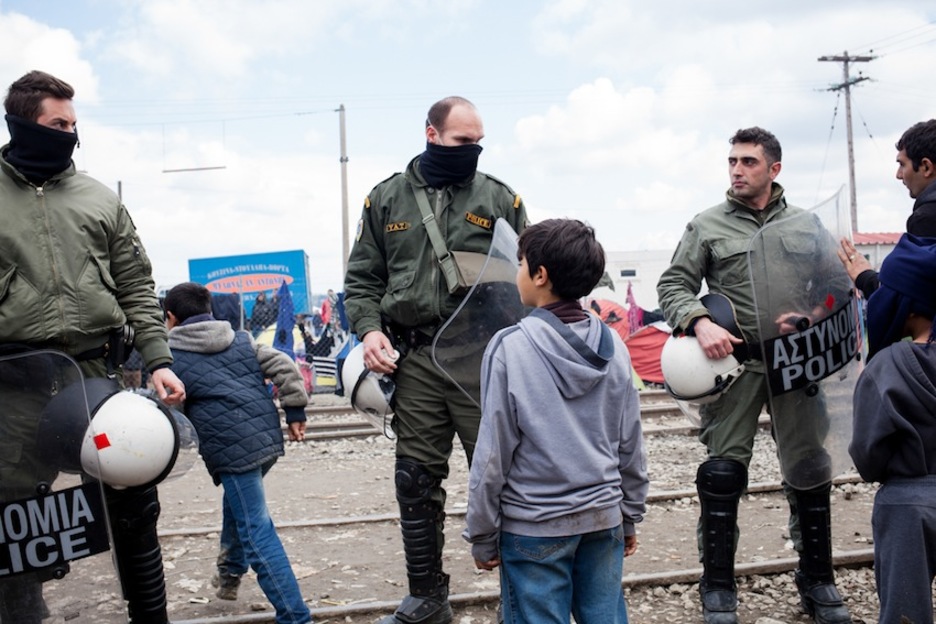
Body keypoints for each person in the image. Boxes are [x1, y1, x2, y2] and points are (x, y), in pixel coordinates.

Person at [0, 70, 186, 623]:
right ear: (20, 122)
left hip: (93, 377)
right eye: (57, 124)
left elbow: (136, 285)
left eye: (74, 125)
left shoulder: (99, 200)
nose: (69, 135)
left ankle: (149, 617)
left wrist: (159, 360)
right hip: (11, 384)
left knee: (131, 500)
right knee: (13, 519)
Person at [656, 127, 853, 624]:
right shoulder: (708, 225)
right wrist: (698, 322)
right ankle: (718, 586)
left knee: (810, 470)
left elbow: (835, 286)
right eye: (732, 162)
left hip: (796, 362)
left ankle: (817, 579)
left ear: (774, 169)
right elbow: (673, 283)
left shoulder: (807, 226)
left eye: (748, 162)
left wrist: (812, 314)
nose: (737, 170)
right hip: (735, 365)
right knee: (721, 474)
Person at [343, 95, 528, 624]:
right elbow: (362, 280)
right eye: (461, 141)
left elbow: (526, 277)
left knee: (505, 476)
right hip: (415, 357)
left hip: (482, 358)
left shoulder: (500, 198)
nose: (472, 151)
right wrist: (369, 331)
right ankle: (427, 599)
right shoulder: (386, 200)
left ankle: (524, 597)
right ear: (431, 134)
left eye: (477, 142)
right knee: (415, 480)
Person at [463, 219, 648, 624]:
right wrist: (630, 513)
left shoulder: (510, 347)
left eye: (521, 263)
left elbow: (493, 453)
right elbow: (630, 442)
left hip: (533, 526)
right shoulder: (614, 345)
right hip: (604, 517)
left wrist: (481, 532)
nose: (516, 273)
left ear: (540, 276)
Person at [164, 282, 312, 624]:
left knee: (256, 530)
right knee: (240, 503)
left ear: (170, 317)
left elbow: (172, 410)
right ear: (210, 309)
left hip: (231, 450)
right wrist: (294, 412)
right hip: (264, 440)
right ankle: (229, 576)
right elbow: (284, 365)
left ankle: (295, 617)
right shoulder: (242, 340)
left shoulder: (172, 358)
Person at [847, 234, 936, 624]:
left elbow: (868, 457)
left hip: (905, 504)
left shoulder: (888, 365)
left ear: (908, 306)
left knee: (905, 612)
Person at [838, 119, 936, 298]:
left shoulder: (926, 218)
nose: (898, 175)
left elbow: (911, 298)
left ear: (926, 167)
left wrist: (864, 276)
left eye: (902, 164)